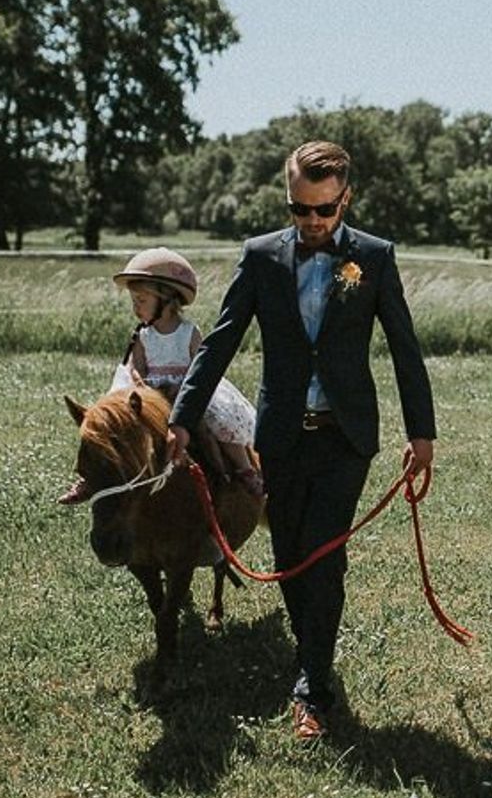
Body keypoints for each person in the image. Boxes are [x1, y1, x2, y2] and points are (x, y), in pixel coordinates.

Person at [166, 140, 436, 741]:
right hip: (283, 435)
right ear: (287, 200)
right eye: (300, 210)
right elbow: (221, 340)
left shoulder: (374, 257)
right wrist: (182, 417)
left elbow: (403, 348)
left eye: (325, 210)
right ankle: (312, 660)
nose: (312, 222)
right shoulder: (261, 257)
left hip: (346, 437)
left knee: (322, 554)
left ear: (347, 199)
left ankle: (313, 683)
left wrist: (422, 432)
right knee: (289, 557)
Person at [56, 248, 259, 504]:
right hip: (151, 394)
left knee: (220, 423)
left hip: (184, 391)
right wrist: (144, 388)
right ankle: (92, 478)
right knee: (110, 425)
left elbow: (201, 367)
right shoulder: (142, 336)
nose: (135, 308)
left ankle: (243, 469)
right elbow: (137, 369)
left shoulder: (188, 332)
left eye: (141, 301)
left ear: (165, 298)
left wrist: (184, 389)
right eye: (134, 301)